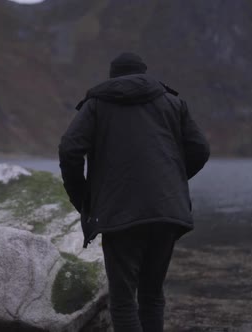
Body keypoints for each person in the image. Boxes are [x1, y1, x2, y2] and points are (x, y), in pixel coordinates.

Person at [58, 52, 210, 332]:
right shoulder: (173, 103)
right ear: (144, 73)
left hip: (120, 215)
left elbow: (69, 150)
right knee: (152, 295)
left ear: (113, 76)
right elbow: (201, 149)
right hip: (167, 211)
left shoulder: (96, 106)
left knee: (123, 300)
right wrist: (172, 183)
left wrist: (84, 200)